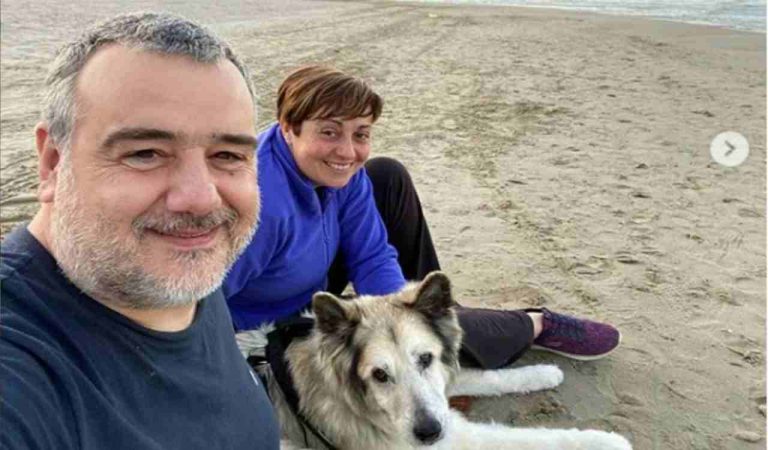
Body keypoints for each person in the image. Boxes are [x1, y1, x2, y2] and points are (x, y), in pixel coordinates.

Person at [0, 12, 280, 450]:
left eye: (227, 155)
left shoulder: (180, 276)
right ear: (53, 163)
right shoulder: (19, 371)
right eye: (146, 153)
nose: (201, 199)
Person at [224, 65, 621, 370]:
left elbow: (371, 255)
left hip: (307, 274)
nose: (347, 151)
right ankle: (533, 325)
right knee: (422, 341)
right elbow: (205, 305)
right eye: (329, 132)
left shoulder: (341, 171)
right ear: (288, 127)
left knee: (387, 175)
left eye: (361, 134)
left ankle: (439, 307)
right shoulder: (257, 205)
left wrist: (408, 315)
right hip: (271, 320)